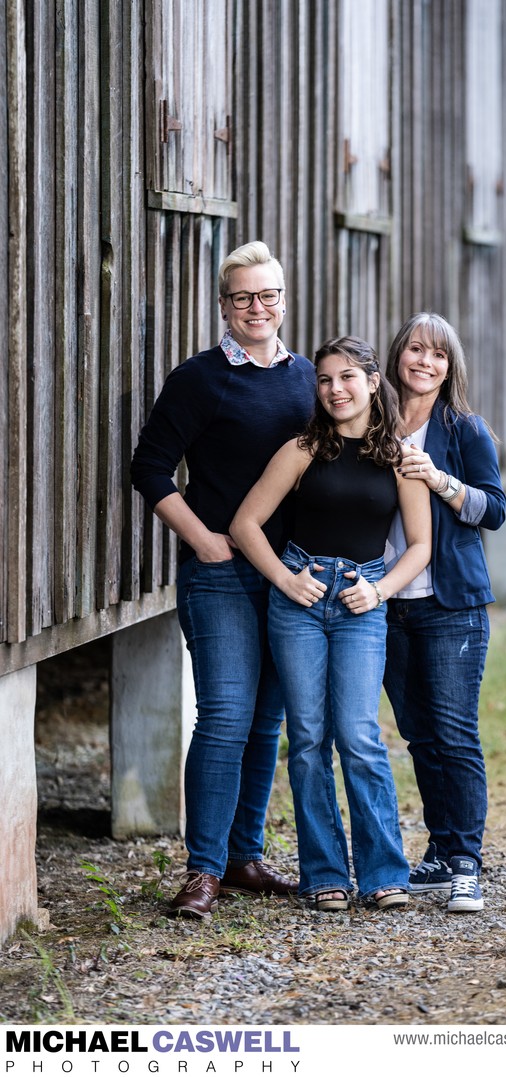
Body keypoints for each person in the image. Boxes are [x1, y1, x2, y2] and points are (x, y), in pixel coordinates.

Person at [131, 241, 318, 919]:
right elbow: (150, 467)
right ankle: (203, 869)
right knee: (225, 715)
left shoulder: (307, 380)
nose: (256, 308)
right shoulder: (200, 378)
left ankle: (243, 857)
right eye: (242, 297)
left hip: (290, 573)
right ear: (223, 304)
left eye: (267, 295)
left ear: (283, 299)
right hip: (220, 577)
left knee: (265, 721)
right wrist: (200, 536)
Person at [231, 336, 432, 911]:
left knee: (360, 736)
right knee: (310, 740)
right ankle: (324, 875)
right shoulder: (302, 448)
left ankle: (384, 874)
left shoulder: (399, 456)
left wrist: (381, 590)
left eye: (347, 377)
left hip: (359, 603)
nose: (335, 389)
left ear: (373, 382)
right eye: (324, 380)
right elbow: (247, 524)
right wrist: (285, 580)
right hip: (299, 598)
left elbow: (419, 546)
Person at [383, 312, 506, 913]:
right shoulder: (371, 421)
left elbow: (495, 510)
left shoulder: (465, 430)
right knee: (419, 734)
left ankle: (465, 863)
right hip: (385, 605)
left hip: (450, 602)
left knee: (454, 733)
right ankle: (439, 848)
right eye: (414, 350)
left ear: (449, 366)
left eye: (437, 354)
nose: (424, 362)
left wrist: (441, 481)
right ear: (397, 356)